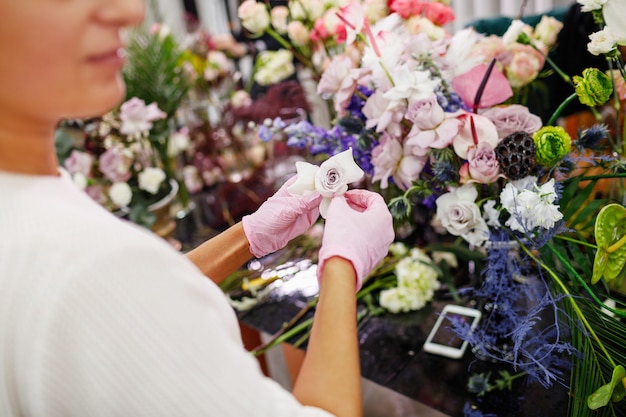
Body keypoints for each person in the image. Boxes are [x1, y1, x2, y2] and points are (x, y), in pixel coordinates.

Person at [0, 1, 395, 417]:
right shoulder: (89, 265)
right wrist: (341, 264)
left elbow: (136, 304)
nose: (130, 12)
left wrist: (249, 235)